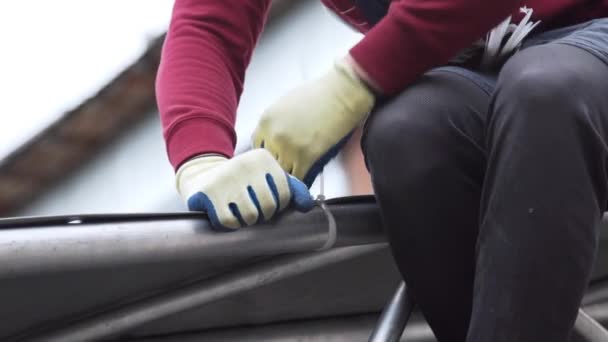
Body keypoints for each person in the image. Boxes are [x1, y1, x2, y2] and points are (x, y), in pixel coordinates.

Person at [156, 1, 608, 341]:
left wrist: (354, 81)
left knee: (545, 91)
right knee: (407, 133)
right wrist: (200, 158)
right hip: (494, 76)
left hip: (579, 56)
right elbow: (207, 25)